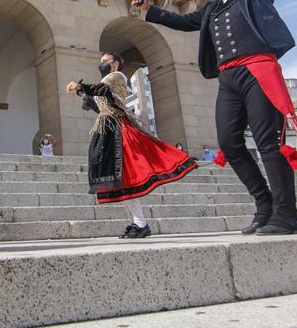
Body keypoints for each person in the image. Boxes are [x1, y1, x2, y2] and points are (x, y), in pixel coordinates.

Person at [130, 0, 297, 236]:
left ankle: (286, 214)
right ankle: (264, 206)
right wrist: (148, 9)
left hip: (259, 70)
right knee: (229, 142)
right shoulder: (211, 9)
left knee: (268, 143)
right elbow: (182, 21)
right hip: (229, 78)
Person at [66, 52, 198, 239]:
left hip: (118, 130)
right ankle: (137, 223)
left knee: (124, 175)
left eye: (105, 61)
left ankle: (140, 223)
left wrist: (82, 86)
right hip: (106, 129)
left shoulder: (117, 77)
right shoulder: (105, 81)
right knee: (116, 178)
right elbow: (101, 105)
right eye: (101, 61)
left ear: (115, 64)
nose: (102, 64)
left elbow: (102, 90)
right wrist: (83, 92)